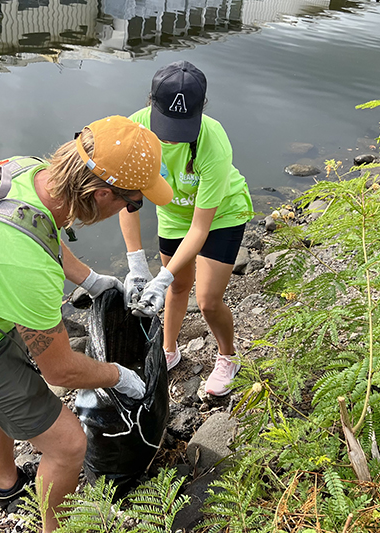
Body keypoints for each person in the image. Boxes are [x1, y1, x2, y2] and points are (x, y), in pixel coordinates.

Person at [0, 115, 173, 532]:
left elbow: (40, 233)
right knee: (67, 444)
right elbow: (60, 369)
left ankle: (6, 486)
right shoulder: (23, 265)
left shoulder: (29, 171)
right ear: (101, 194)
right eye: (133, 203)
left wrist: (92, 280)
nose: (133, 209)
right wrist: (118, 376)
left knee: (2, 399)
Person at [120, 61, 253, 396]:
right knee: (178, 287)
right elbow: (128, 201)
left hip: (221, 216)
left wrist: (159, 278)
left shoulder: (213, 143)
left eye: (181, 127)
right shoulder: (134, 130)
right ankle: (169, 350)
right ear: (151, 102)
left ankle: (228, 356)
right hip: (173, 214)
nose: (169, 136)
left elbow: (200, 228)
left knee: (207, 301)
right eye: (166, 123)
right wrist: (136, 262)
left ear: (201, 109)